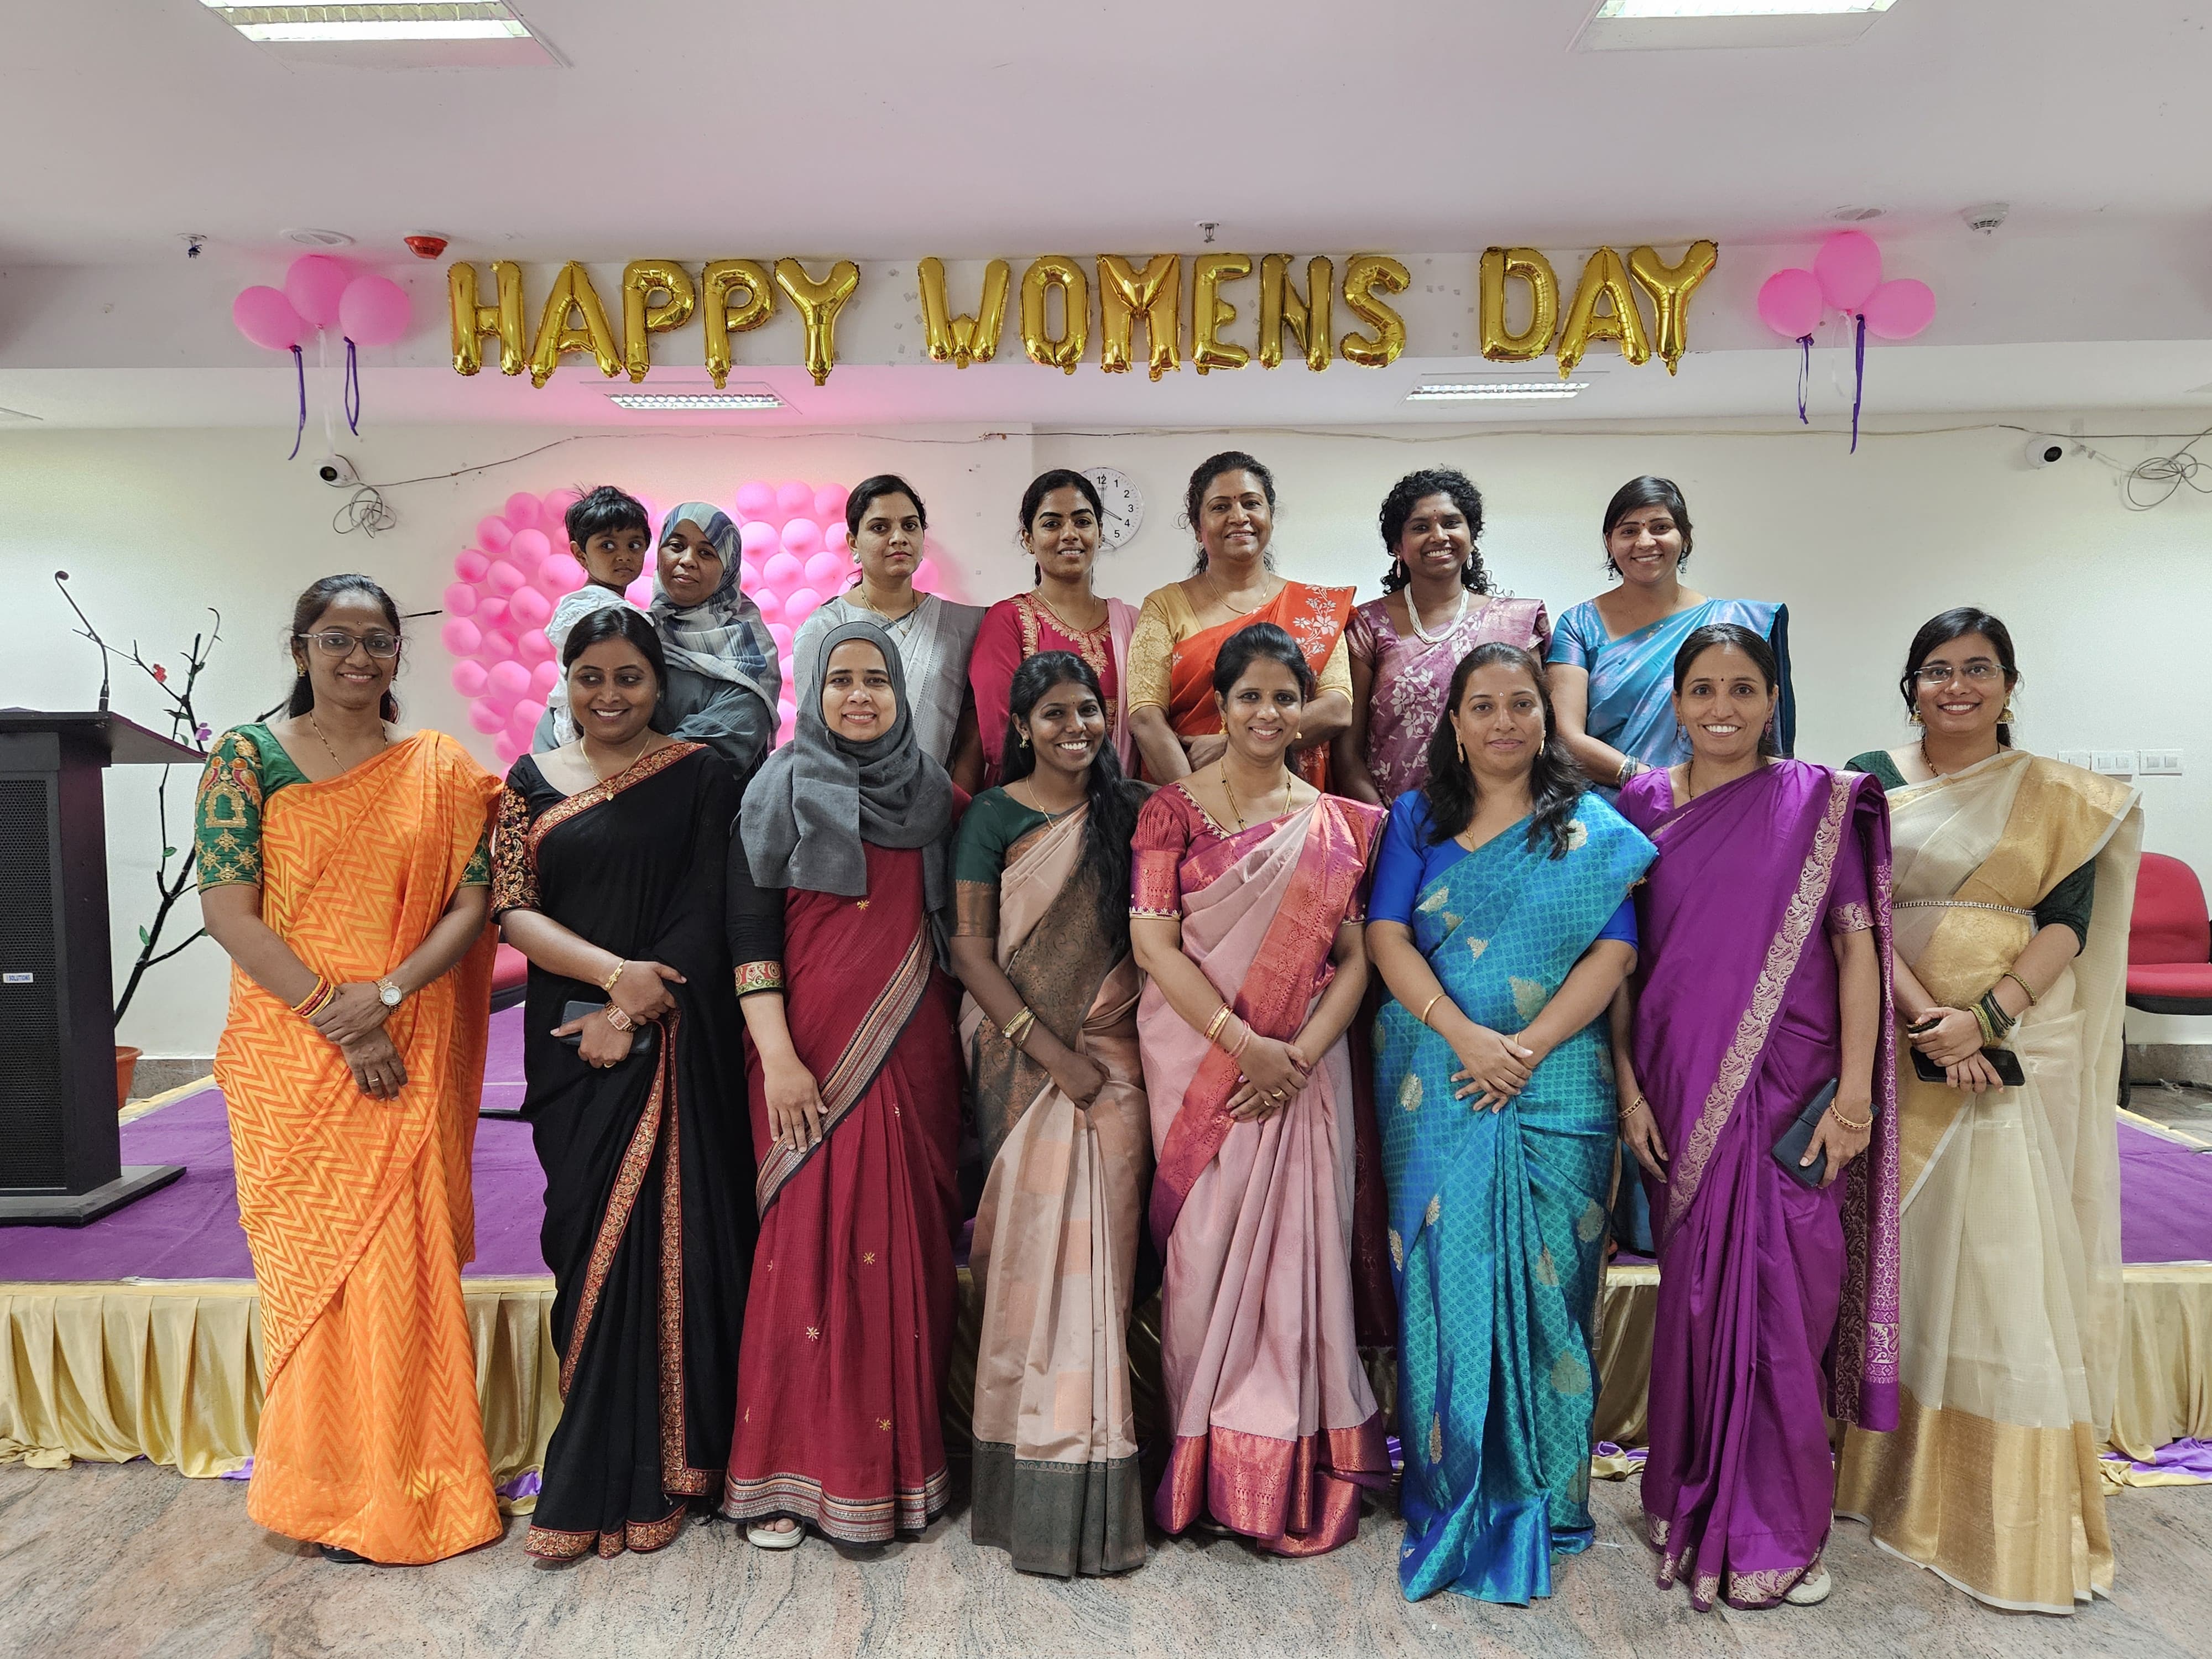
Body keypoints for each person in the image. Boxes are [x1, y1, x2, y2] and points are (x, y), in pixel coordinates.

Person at [1835, 608, 2141, 1615]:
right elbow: (1855, 912)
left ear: (2010, 684)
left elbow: (2068, 924)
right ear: (1911, 687)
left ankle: (1993, 1501)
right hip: (1891, 1034)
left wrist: (1987, 1020)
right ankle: (1878, 1465)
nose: (1957, 686)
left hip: (2006, 1049)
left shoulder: (2061, 798)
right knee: (1900, 1246)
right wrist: (1932, 1017)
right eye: (1936, 670)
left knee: (1999, 1257)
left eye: (1978, 669)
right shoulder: (1866, 778)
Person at [195, 575, 500, 1566]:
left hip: (407, 1037)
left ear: (398, 654)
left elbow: (471, 902)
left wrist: (392, 997)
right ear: (301, 651)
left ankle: (421, 1483)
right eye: (336, 639)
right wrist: (341, 1018)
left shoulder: (439, 768)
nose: (358, 657)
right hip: (295, 1056)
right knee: (316, 1276)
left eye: (377, 640)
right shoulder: (247, 757)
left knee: (404, 1267)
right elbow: (228, 911)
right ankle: (324, 1490)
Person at [1611, 623, 1897, 1611]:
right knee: (1695, 1301)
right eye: (1703, 690)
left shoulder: (1819, 802)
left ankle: (1776, 1525)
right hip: (1678, 1085)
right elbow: (1617, 962)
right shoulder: (1640, 807)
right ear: (1676, 703)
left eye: (1743, 689)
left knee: (1787, 1304)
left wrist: (1855, 1093)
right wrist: (1628, 1089)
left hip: (1795, 1093)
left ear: (1774, 701)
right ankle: (1684, 1491)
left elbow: (1856, 949)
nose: (1722, 708)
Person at [1366, 643, 1652, 1604]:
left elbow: (1614, 954)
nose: (1503, 722)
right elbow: (1386, 935)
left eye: (1522, 704)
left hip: (1557, 1081)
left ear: (1546, 717)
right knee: (1443, 1278)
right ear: (1454, 722)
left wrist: (1522, 1049)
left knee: (1553, 1288)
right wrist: (1465, 1038)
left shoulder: (1590, 826)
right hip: (1437, 1076)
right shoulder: (1417, 817)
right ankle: (1450, 1483)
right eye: (1483, 706)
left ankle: (1546, 1491)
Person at [490, 607, 755, 1560]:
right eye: (591, 677)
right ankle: (602, 1457)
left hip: (676, 1037)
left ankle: (673, 1468)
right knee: (583, 1235)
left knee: (681, 1242)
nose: (609, 695)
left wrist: (634, 1009)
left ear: (660, 685)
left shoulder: (705, 776)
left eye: (629, 677)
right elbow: (512, 910)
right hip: (570, 1043)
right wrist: (611, 982)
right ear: (566, 682)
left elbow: (709, 907)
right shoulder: (527, 784)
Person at [1129, 623, 1387, 1554]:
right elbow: (1153, 944)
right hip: (1203, 1068)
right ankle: (1205, 1469)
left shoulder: (1335, 823)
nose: (1268, 713)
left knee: (1300, 1262)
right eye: (1251, 696)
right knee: (1202, 1261)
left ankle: (1288, 1467)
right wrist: (1248, 1046)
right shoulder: (1170, 811)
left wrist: (1301, 1055)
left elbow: (1355, 959)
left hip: (1305, 1078)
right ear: (1221, 706)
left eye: (1285, 697)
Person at [722, 619, 966, 1549]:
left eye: (877, 680)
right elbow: (751, 939)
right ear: (814, 693)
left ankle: (895, 1473)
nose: (859, 696)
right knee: (804, 1251)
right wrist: (781, 1059)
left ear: (901, 694)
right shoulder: (774, 789)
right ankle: (786, 1480)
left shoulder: (934, 794)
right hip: (805, 1057)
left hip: (915, 1049)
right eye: (841, 680)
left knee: (907, 1252)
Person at [1545, 474, 1792, 1254]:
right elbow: (1565, 737)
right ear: (1609, 542)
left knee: (1715, 992)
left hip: (1730, 828)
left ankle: (1729, 1186)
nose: (1644, 541)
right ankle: (1632, 1203)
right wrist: (1654, 787)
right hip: (1620, 830)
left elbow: (1772, 740)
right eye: (1628, 529)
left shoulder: (1741, 623)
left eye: (1659, 526)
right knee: (1625, 987)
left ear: (1684, 535)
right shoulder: (1580, 624)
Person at [950, 651, 1150, 1577]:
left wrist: (1086, 1060)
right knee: (1024, 1265)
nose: (1076, 728)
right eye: (1055, 714)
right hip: (1020, 1064)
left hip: (1114, 1066)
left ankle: (1093, 1474)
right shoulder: (992, 817)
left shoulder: (1133, 810)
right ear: (1022, 727)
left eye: (1089, 711)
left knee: (1099, 1271)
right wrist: (1052, 1054)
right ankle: (1019, 1470)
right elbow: (972, 953)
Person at [1125, 451, 1354, 789]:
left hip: (1291, 797)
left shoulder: (1316, 607)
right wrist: (1195, 803)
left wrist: (1234, 745)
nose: (1239, 517)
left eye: (1251, 504)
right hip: (1190, 788)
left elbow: (1337, 709)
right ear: (1197, 527)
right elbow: (1146, 719)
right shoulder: (1165, 606)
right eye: (1220, 507)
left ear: (1270, 515)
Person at [1335, 468, 1551, 805]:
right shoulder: (1368, 625)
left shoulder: (1515, 622)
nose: (1439, 536)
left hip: (1502, 815)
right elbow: (1347, 755)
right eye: (1420, 527)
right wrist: (1386, 825)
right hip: (1396, 818)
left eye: (1451, 523)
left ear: (1472, 535)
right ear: (1397, 546)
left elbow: (1538, 729)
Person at [793, 474, 987, 789]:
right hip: (847, 798)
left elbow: (975, 727)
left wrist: (956, 799)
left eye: (910, 526)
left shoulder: (962, 625)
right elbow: (814, 736)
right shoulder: (824, 629)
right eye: (880, 528)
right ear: (853, 542)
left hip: (938, 798)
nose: (899, 538)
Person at [968, 470, 1140, 786]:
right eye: (1052, 524)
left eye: (1083, 522)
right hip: (1031, 799)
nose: (1070, 534)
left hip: (1119, 799)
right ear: (1028, 539)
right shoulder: (1008, 620)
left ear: (1100, 533)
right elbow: (999, 735)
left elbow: (1149, 724)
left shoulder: (1131, 622)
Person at [541, 484, 652, 747]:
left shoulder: (583, 604)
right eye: (608, 546)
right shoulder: (593, 609)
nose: (624, 556)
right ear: (580, 554)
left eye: (634, 545)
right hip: (595, 733)